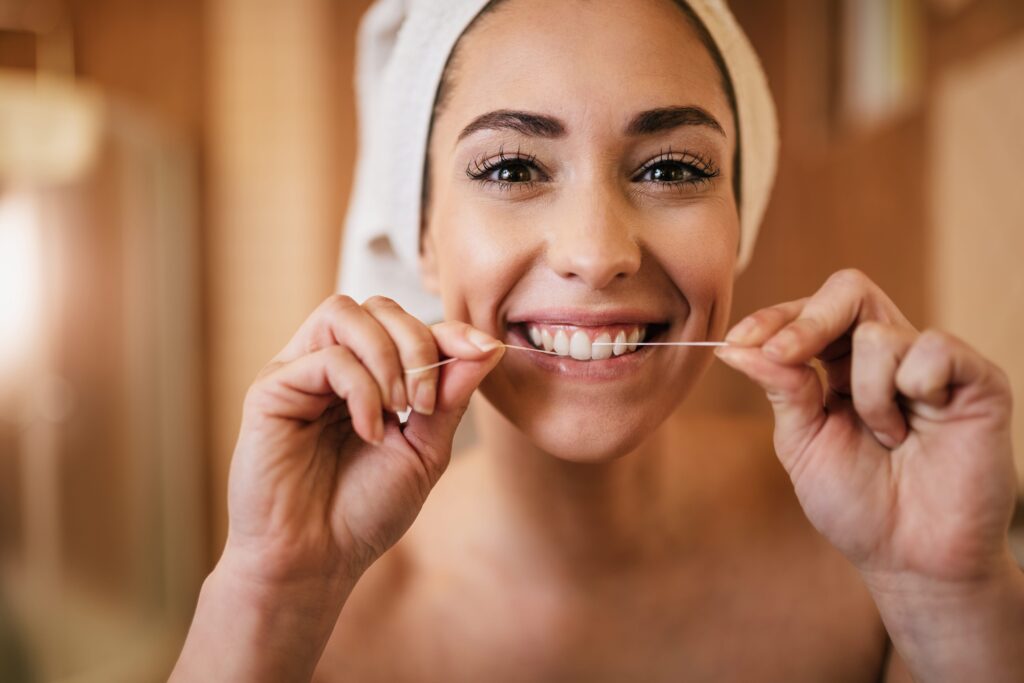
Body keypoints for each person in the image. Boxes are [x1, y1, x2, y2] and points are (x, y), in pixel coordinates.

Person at [170, 1, 1024, 681]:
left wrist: (951, 598)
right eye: (511, 168)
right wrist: (267, 596)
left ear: (740, 218)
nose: (598, 253)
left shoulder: (868, 551)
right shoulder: (315, 629)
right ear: (418, 230)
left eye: (671, 169)